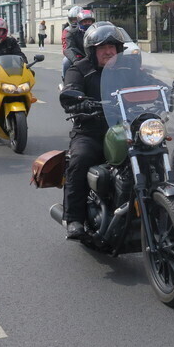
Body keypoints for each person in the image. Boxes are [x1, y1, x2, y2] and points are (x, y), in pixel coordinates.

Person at [58, 22, 126, 239]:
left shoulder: (128, 68)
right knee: (80, 159)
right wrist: (77, 100)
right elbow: (70, 90)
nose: (108, 51)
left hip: (125, 129)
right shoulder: (79, 69)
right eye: (102, 47)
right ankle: (74, 218)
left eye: (112, 47)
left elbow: (150, 82)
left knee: (153, 151)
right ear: (92, 50)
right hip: (91, 130)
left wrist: (169, 93)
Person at [62, 9, 95, 79]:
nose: (87, 24)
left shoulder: (97, 32)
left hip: (95, 56)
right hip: (79, 57)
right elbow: (69, 48)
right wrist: (75, 60)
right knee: (66, 62)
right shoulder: (71, 32)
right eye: (85, 22)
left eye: (89, 21)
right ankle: (66, 83)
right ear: (80, 22)